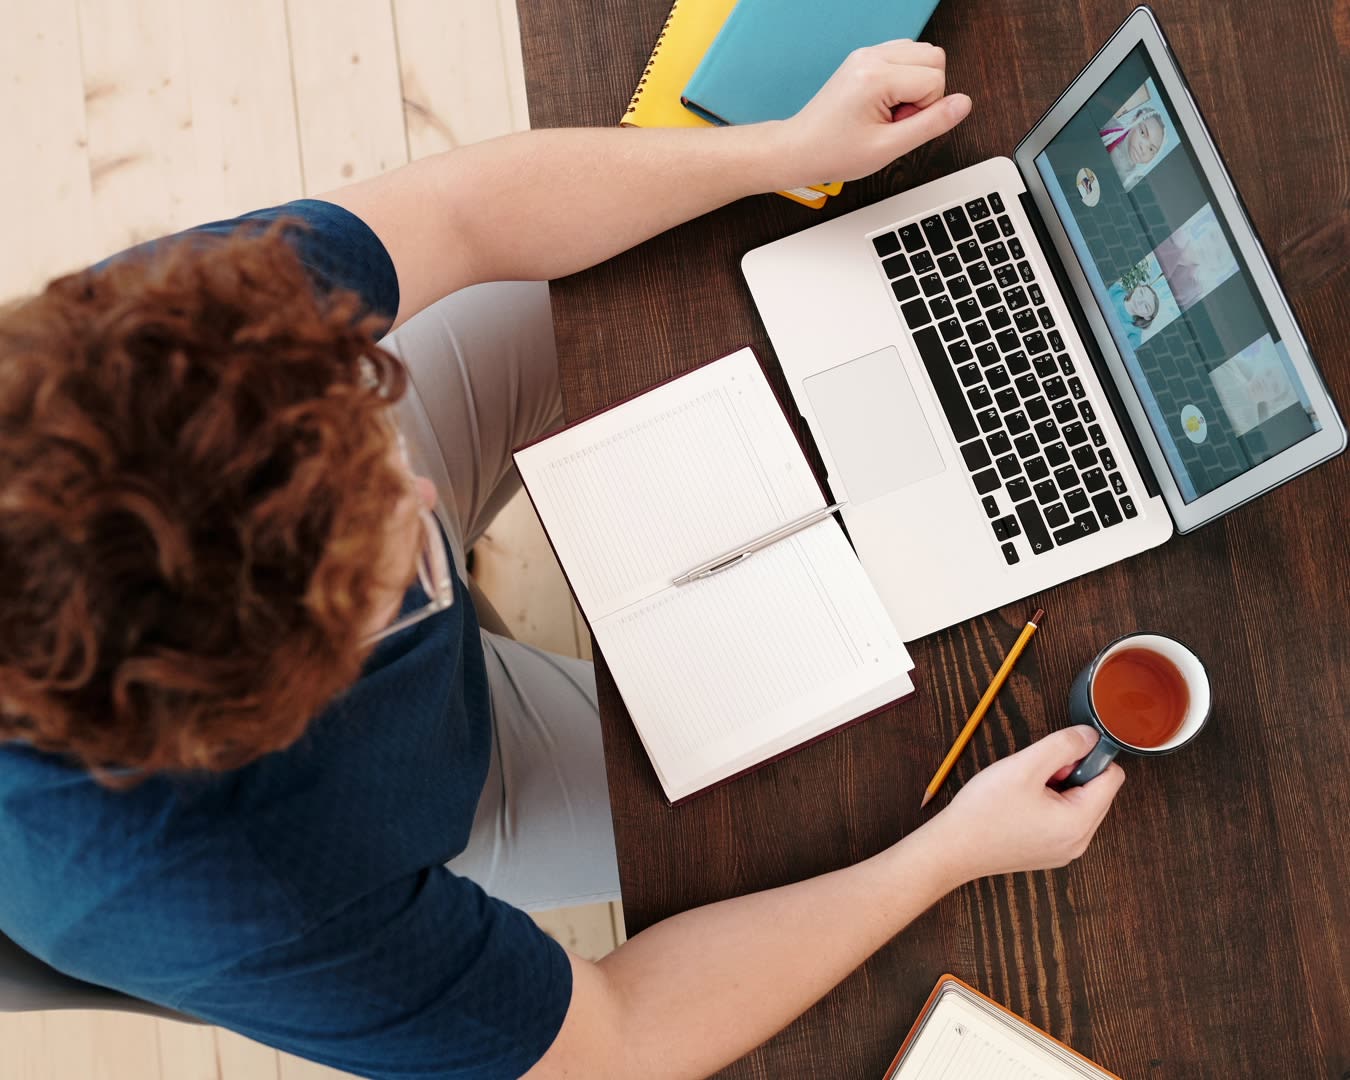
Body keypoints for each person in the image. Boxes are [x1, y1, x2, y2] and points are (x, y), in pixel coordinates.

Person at [0, 41, 1124, 1080]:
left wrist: (777, 152)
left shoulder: (146, 371)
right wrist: (942, 859)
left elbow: (464, 214)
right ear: (291, 694)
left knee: (644, 256)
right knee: (837, 784)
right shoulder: (244, 895)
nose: (428, 495)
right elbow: (621, 1040)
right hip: (429, 791)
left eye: (361, 422)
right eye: (403, 571)